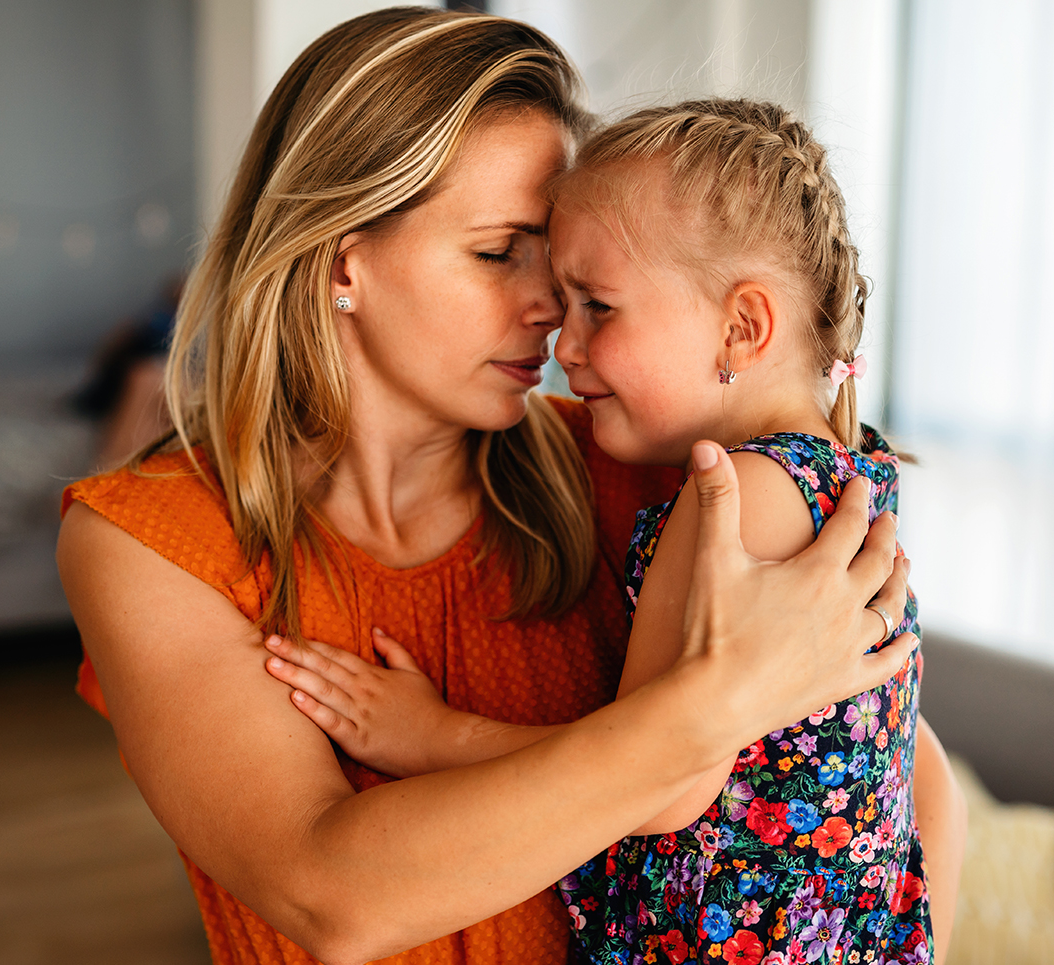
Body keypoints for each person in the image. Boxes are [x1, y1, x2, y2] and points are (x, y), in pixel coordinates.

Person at [57, 10, 917, 965]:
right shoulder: (150, 540)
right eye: (500, 249)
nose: (550, 307)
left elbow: (903, 777)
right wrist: (718, 704)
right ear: (344, 260)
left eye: (564, 265)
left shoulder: (654, 468)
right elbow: (330, 895)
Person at [264, 99, 967, 964]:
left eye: (596, 305)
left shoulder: (728, 497)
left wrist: (429, 734)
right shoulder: (849, 469)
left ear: (741, 327)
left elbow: (663, 779)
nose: (564, 343)